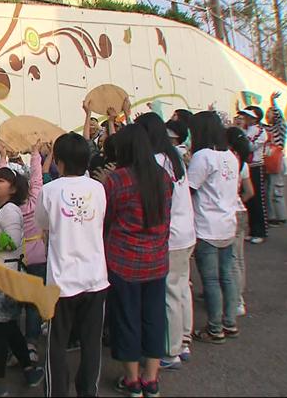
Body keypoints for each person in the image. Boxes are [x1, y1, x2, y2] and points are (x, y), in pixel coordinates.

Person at [100, 125, 172, 398]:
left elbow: (106, 218)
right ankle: (151, 379)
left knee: (126, 318)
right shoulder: (163, 177)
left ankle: (132, 381)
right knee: (154, 318)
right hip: (156, 261)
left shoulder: (117, 180)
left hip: (123, 262)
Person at [35, 132, 109, 397]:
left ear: (59, 161)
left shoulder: (51, 190)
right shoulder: (98, 189)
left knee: (57, 342)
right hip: (95, 278)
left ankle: (57, 392)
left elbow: (42, 223)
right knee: (91, 343)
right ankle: (88, 391)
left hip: (61, 282)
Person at [0, 167, 45, 396]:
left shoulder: (10, 211)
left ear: (13, 188)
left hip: (3, 280)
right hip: (3, 277)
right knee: (10, 328)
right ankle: (29, 370)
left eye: (2, 180)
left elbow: (12, 241)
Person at [135, 113, 196, 370]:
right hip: (186, 234)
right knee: (182, 288)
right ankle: (183, 341)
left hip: (170, 237)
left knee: (169, 293)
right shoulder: (173, 156)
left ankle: (169, 352)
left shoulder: (156, 161)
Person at [187, 112, 240, 345]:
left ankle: (215, 328)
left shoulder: (203, 156)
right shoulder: (230, 156)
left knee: (210, 280)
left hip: (206, 226)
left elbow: (189, 188)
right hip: (228, 224)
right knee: (226, 276)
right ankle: (229, 322)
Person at [0, 140, 45, 353]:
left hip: (13, 260)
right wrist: (35, 153)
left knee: (11, 303)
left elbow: (0, 179)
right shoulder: (35, 201)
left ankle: (7, 345)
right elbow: (37, 179)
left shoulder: (8, 208)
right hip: (37, 257)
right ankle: (31, 343)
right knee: (34, 304)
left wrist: (2, 156)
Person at [226, 128, 255, 317]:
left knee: (232, 261)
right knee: (239, 259)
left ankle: (236, 301)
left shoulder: (227, 160)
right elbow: (250, 192)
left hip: (229, 213)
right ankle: (239, 296)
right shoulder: (242, 163)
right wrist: (238, 200)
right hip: (241, 211)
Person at [238, 106, 269, 244]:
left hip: (256, 167)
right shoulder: (245, 130)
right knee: (249, 201)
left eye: (248, 116)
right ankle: (252, 230)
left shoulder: (260, 131)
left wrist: (240, 136)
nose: (245, 118)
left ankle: (261, 231)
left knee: (258, 200)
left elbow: (248, 147)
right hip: (246, 167)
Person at [264, 92, 287, 226]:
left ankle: (281, 216)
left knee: (276, 190)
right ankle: (272, 216)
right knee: (268, 190)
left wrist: (273, 102)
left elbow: (280, 119)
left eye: (271, 112)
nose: (268, 114)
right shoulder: (266, 128)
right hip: (269, 161)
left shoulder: (280, 127)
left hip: (277, 161)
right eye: (267, 112)